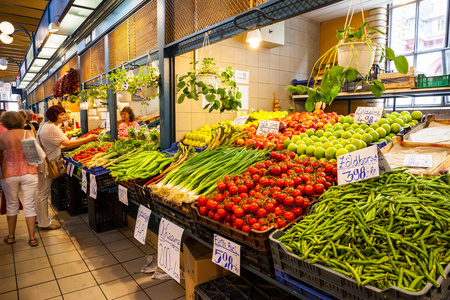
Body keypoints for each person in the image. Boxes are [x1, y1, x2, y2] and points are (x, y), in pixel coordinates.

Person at [36, 105, 98, 230]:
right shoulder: (53, 128)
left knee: (40, 193)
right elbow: (68, 144)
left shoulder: (45, 125)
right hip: (48, 164)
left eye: (64, 114)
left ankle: (40, 219)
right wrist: (88, 139)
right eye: (61, 114)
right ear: (54, 116)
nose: (64, 116)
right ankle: (44, 222)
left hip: (42, 161)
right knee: (42, 194)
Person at [0, 112, 39, 246]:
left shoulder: (2, 137)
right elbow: (34, 157)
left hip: (9, 174)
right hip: (28, 172)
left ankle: (11, 237)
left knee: (11, 204)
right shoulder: (26, 134)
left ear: (4, 122)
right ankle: (32, 238)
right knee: (30, 205)